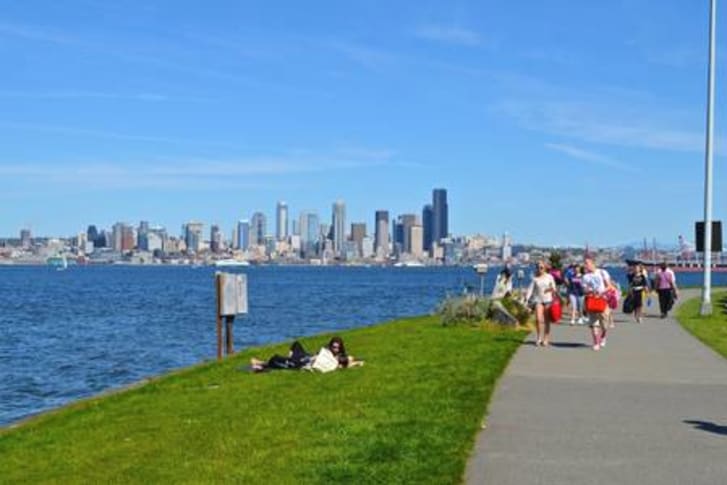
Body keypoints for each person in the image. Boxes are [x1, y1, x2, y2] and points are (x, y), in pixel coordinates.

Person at [250, 336, 358, 372]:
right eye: (333, 347)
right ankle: (289, 359)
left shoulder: (336, 360)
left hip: (304, 363)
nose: (335, 349)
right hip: (306, 357)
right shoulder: (327, 352)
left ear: (340, 348)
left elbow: (345, 363)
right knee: (296, 345)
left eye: (337, 347)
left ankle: (261, 363)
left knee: (275, 358)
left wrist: (356, 362)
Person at [524, 260, 557, 347]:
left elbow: (554, 288)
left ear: (545, 268)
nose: (539, 269)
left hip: (548, 300)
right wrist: (526, 298)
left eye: (541, 267)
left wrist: (550, 290)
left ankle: (546, 338)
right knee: (538, 319)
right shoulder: (535, 278)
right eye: (538, 267)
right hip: (538, 300)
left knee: (546, 320)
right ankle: (539, 337)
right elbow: (530, 289)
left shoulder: (549, 277)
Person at [582, 258, 609, 350]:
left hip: (602, 299)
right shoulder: (585, 277)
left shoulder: (602, 272)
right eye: (585, 263)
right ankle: (596, 342)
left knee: (604, 323)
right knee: (594, 323)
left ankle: (603, 335)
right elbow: (584, 289)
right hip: (592, 300)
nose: (585, 265)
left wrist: (601, 292)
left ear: (593, 264)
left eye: (587, 263)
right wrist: (589, 291)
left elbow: (609, 286)